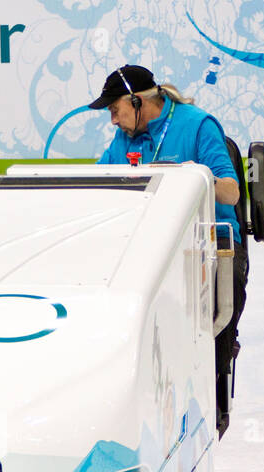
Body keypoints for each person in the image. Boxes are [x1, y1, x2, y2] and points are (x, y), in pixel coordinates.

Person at [89, 64, 248, 436]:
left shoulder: (198, 126)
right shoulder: (126, 138)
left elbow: (232, 191)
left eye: (115, 110)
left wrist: (191, 176)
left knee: (212, 322)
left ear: (137, 101)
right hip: (152, 244)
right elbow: (100, 181)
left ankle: (213, 403)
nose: (113, 120)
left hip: (212, 242)